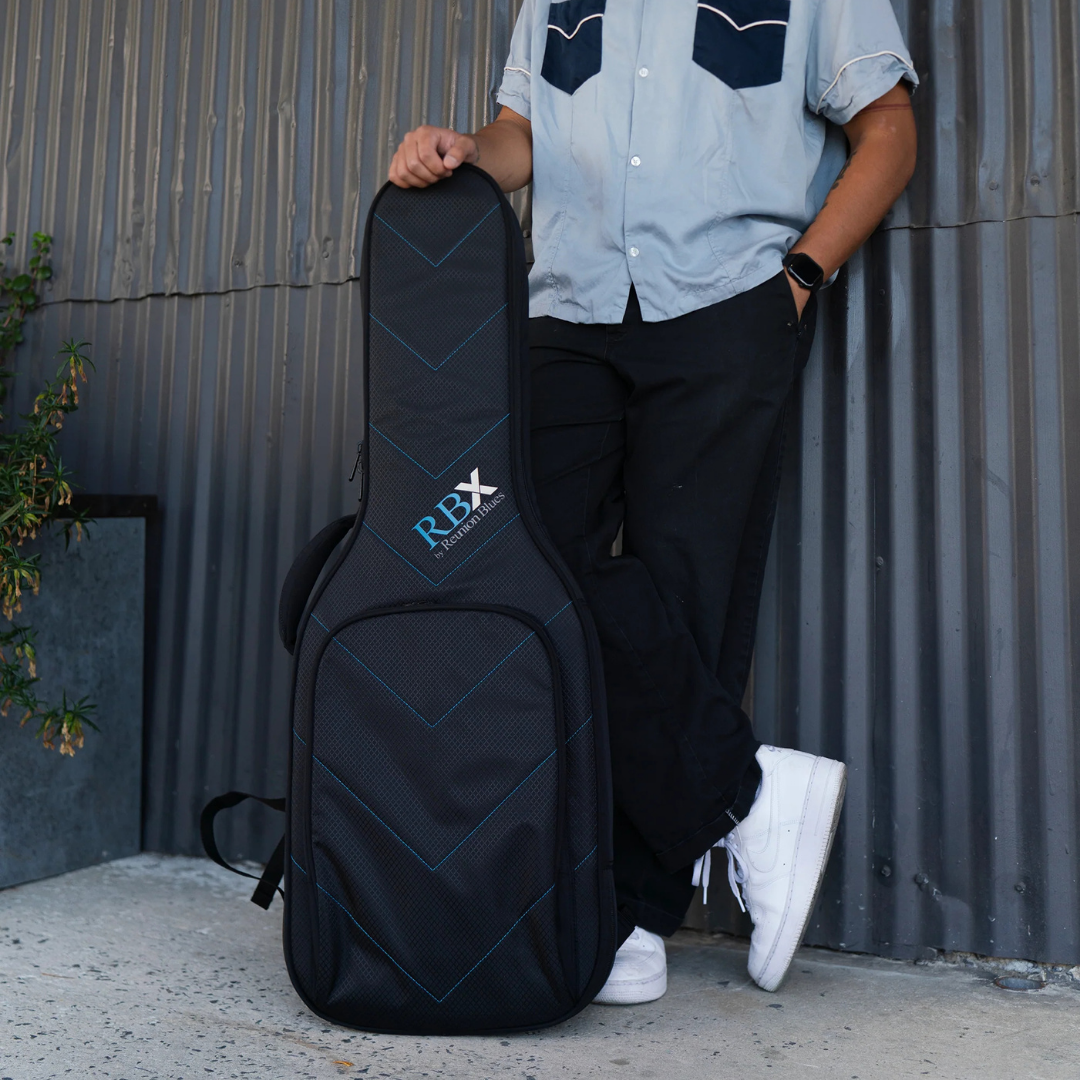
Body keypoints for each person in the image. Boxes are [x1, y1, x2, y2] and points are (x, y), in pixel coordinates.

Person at [389, 0, 917, 1005]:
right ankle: (749, 793)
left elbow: (887, 130)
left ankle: (630, 912)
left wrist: (797, 282)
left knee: (687, 593)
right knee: (516, 562)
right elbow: (523, 134)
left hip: (724, 304)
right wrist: (463, 155)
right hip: (569, 307)